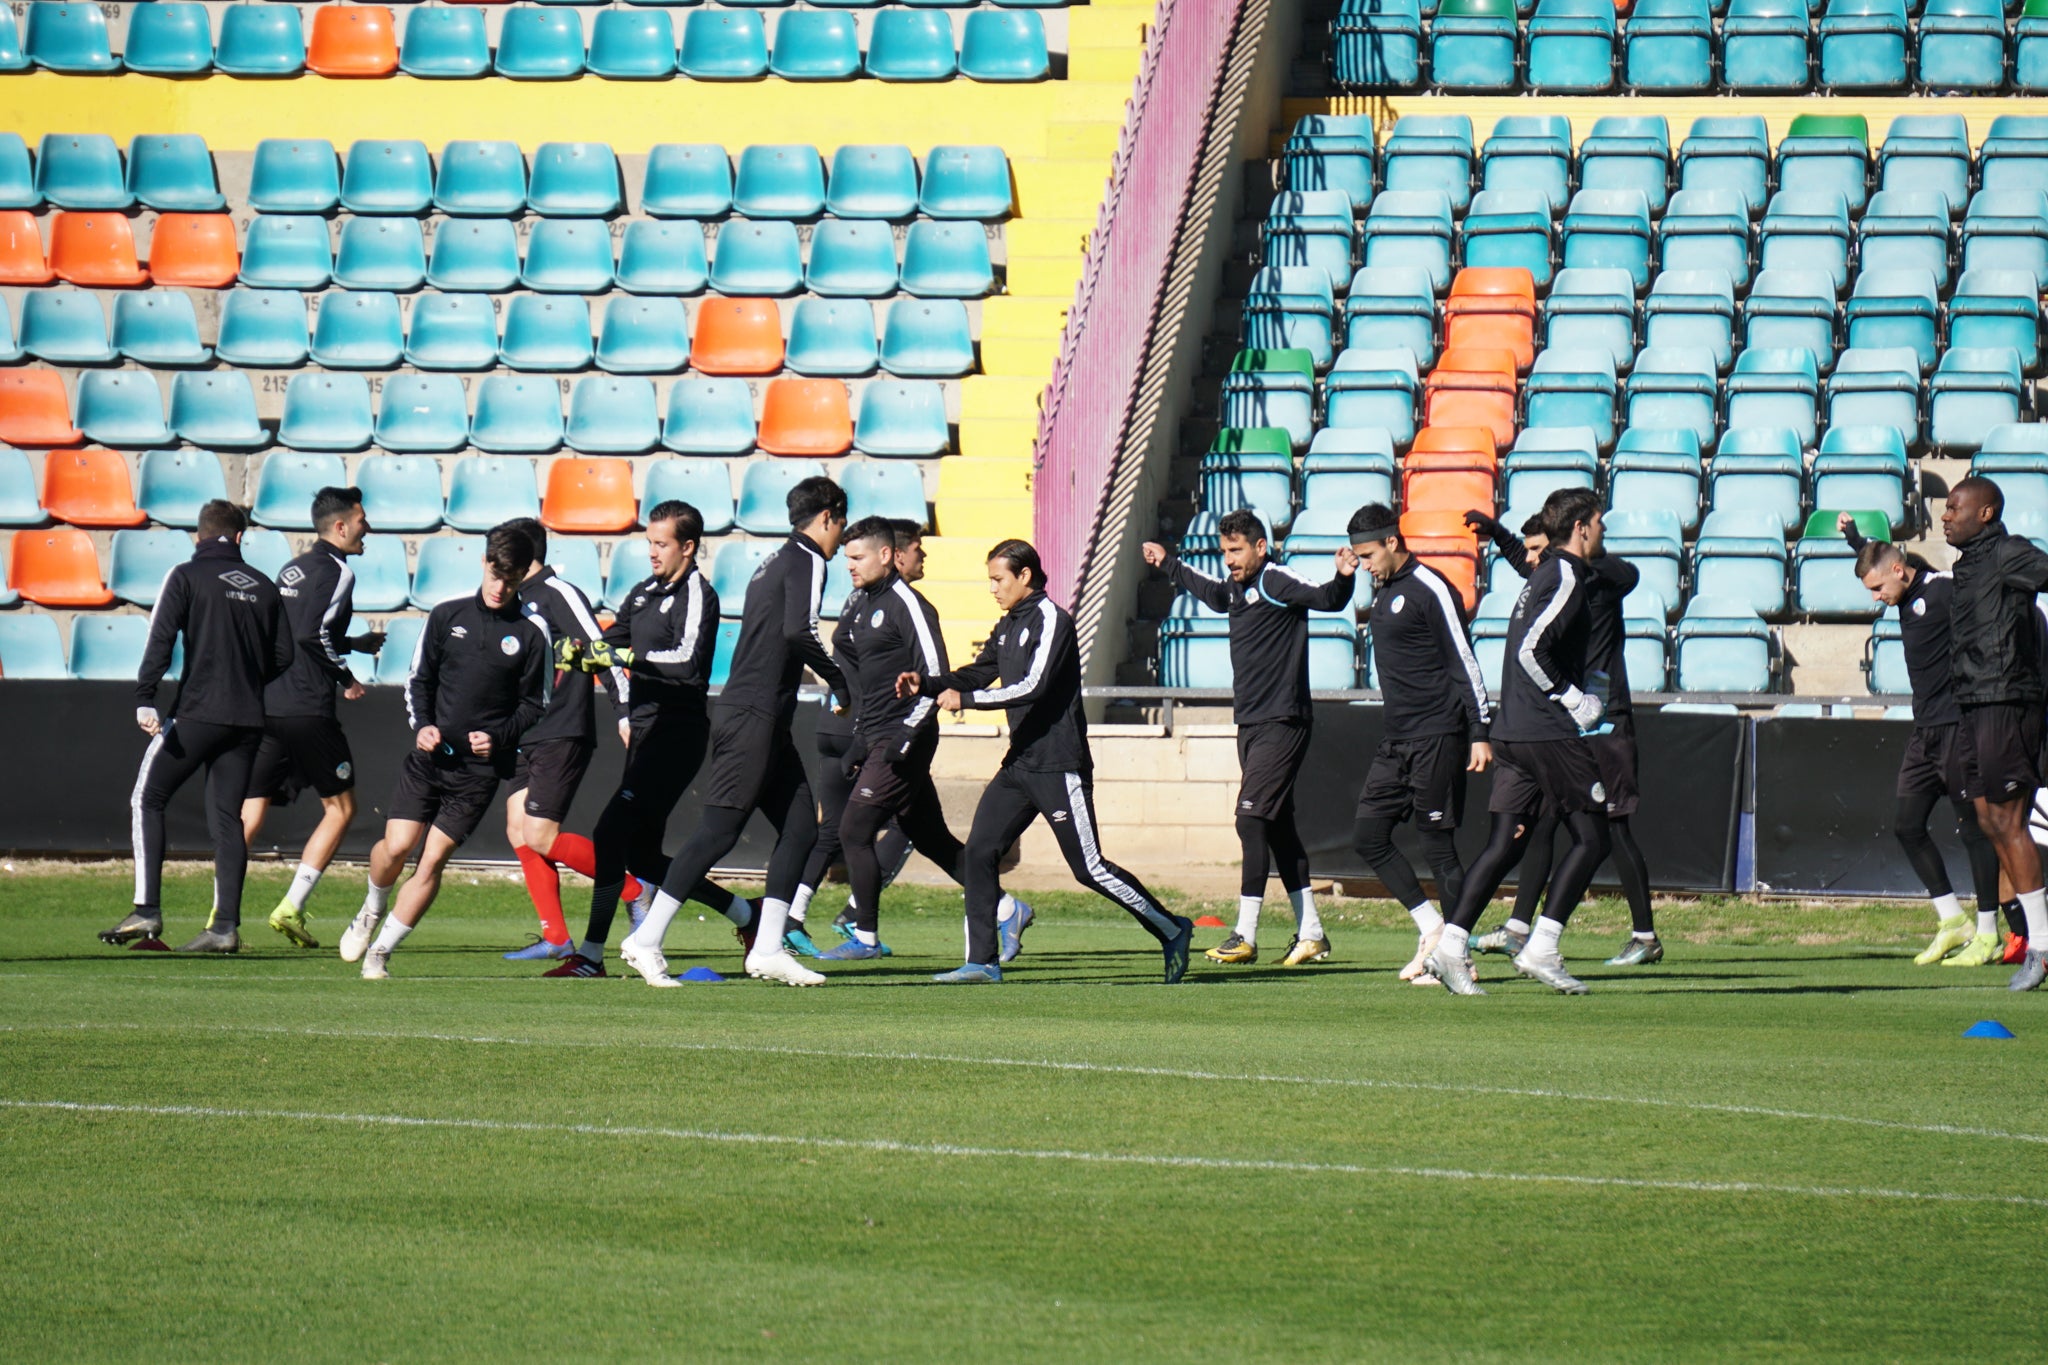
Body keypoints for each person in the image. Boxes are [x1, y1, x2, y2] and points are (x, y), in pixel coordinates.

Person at [897, 539, 1194, 984]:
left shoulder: (1054, 619)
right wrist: (927, 684)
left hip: (1059, 763)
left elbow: (1032, 686)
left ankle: (1173, 928)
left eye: (998, 579)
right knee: (979, 852)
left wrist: (969, 701)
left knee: (1088, 869)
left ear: (1025, 576)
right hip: (1020, 764)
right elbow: (979, 671)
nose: (993, 588)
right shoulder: (1008, 623)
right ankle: (982, 962)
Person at [616, 476, 850, 989]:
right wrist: (839, 680)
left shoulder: (777, 559)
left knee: (801, 830)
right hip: (754, 715)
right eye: (841, 524)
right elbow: (799, 631)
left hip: (761, 714)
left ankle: (767, 949)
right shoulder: (809, 559)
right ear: (829, 516)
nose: (841, 537)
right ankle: (645, 939)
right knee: (718, 832)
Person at [543, 500, 752, 978]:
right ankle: (746, 914)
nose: (653, 553)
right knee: (640, 855)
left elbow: (687, 661)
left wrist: (623, 657)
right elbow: (612, 642)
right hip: (644, 730)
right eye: (649, 544)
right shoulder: (642, 592)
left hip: (676, 734)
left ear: (689, 547)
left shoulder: (700, 594)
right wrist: (580, 654)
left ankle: (592, 956)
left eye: (661, 544)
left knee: (609, 833)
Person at [1142, 510, 1356, 967]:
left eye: (1236, 550)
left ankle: (1245, 934)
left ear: (1260, 547)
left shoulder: (1277, 580)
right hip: (1253, 723)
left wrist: (1342, 578)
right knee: (1278, 828)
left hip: (1284, 720)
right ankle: (1312, 933)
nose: (1229, 560)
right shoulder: (1235, 588)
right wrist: (1167, 564)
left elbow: (1327, 598)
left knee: (1250, 820)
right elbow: (1210, 591)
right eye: (1224, 551)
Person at [339, 526, 549, 979]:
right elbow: (419, 680)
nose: (499, 588)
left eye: (510, 582)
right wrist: (424, 726)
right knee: (396, 847)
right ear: (484, 563)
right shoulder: (447, 614)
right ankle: (371, 908)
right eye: (495, 575)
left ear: (522, 579)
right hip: (430, 761)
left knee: (432, 860)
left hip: (478, 773)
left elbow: (536, 703)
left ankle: (381, 953)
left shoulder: (531, 633)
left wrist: (501, 737)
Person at [1428, 488, 1611, 996]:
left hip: (1513, 730)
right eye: (1598, 523)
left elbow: (1529, 600)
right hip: (1544, 730)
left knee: (1503, 847)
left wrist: (1501, 535)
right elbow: (1533, 649)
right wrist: (1574, 698)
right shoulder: (1566, 575)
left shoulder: (1546, 572)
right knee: (1594, 837)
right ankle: (1542, 947)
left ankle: (1449, 949)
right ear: (1581, 527)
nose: (1602, 531)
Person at [1465, 505, 1664, 967]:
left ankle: (1645, 936)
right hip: (1565, 721)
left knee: (1610, 827)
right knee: (1547, 822)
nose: (1531, 562)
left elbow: (1626, 575)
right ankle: (1519, 928)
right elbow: (1532, 563)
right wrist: (1499, 535)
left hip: (1604, 717)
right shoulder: (1559, 581)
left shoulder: (1596, 576)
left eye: (1539, 550)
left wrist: (1587, 553)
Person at [101, 499, 293, 955]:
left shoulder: (186, 575)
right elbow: (284, 655)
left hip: (197, 714)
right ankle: (224, 926)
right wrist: (245, 680)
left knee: (148, 797)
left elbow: (161, 637)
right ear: (241, 537)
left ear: (200, 536)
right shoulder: (265, 587)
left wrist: (145, 696)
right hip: (247, 720)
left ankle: (147, 908)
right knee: (227, 820)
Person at [1838, 516, 2008, 968]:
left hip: (1959, 729)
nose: (1876, 599)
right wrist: (1853, 538)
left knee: (1973, 831)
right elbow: (1875, 553)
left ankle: (1989, 933)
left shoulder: (1945, 590)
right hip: (1925, 732)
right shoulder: (1901, 591)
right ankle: (1954, 921)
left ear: (1899, 571)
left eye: (1877, 589)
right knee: (1907, 826)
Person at [1340, 504, 1492, 984]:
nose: (1365, 564)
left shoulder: (1431, 587)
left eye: (1368, 554)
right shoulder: (1383, 591)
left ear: (1392, 541)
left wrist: (1480, 730)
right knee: (1368, 836)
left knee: (1438, 846)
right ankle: (1431, 929)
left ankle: (1458, 955)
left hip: (1438, 734)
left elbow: (1464, 660)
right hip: (1397, 738)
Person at [239, 486, 383, 950]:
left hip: (270, 705)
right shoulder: (339, 572)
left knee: (252, 807)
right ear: (340, 527)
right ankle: (290, 906)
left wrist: (354, 643)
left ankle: (221, 914)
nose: (368, 529)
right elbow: (310, 634)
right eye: (362, 521)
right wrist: (347, 677)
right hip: (307, 708)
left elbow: (293, 631)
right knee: (341, 809)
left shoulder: (292, 567)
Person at [497, 518, 640, 963]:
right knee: (517, 826)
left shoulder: (559, 593)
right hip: (525, 731)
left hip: (561, 727)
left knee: (540, 834)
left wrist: (624, 710)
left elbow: (601, 648)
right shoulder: (515, 601)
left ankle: (636, 889)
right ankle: (556, 936)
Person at [1939, 475, 2048, 991]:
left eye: (1954, 507)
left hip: (2007, 700)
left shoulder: (2008, 552)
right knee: (1986, 818)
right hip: (1972, 702)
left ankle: (2042, 949)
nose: (1945, 515)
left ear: (1984, 512)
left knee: (2008, 820)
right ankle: (2028, 936)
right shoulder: (1967, 567)